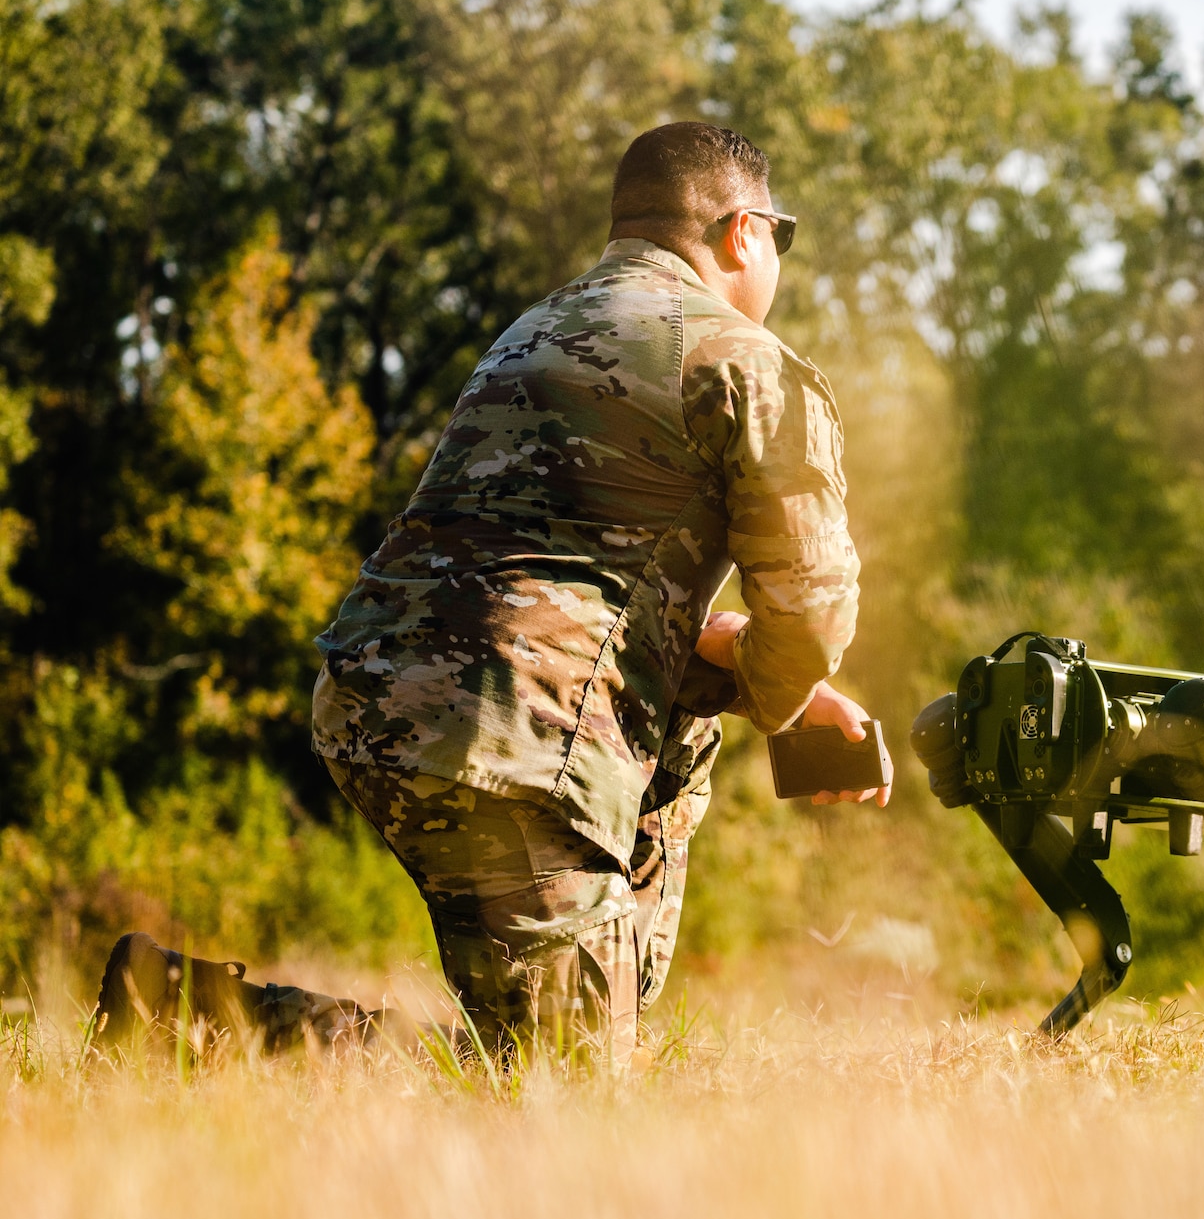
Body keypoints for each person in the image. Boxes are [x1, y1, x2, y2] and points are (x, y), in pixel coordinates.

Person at [94, 122, 887, 1063]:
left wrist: (718, 653)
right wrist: (776, 688)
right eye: (780, 237)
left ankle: (179, 1009)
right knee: (558, 1077)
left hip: (372, 699)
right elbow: (812, 613)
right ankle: (178, 1015)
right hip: (515, 734)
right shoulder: (749, 363)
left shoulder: (529, 334)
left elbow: (551, 566)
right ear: (742, 231)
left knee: (567, 1028)